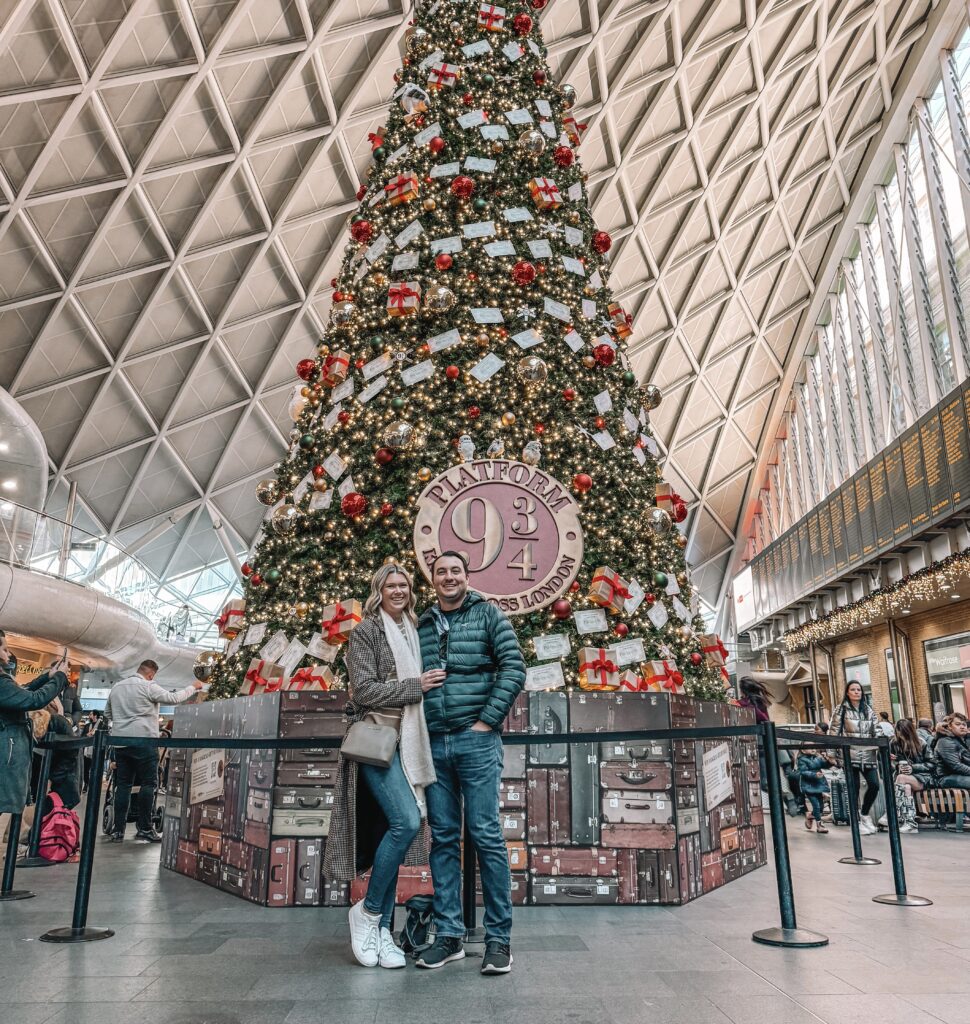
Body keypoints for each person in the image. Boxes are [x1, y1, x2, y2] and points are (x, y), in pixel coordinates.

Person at [323, 563, 440, 970]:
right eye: (390, 585)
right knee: (406, 822)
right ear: (378, 590)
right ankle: (368, 912)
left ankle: (384, 932)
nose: (398, 590)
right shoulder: (367, 632)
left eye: (403, 584)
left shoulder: (414, 632)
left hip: (408, 744)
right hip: (377, 743)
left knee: (395, 831)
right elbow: (365, 689)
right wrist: (415, 687)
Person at [415, 552, 526, 975]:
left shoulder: (488, 615)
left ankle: (499, 941)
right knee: (443, 838)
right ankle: (449, 936)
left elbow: (513, 669)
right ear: (433, 578)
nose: (448, 577)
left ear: (466, 576)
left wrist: (486, 722)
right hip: (434, 745)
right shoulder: (422, 624)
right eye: (441, 571)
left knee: (485, 835)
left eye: (455, 571)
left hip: (475, 741)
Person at [105, 659, 202, 843]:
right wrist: (193, 687)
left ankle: (118, 830)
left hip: (121, 743)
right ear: (151, 674)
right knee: (148, 784)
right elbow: (173, 699)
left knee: (123, 785)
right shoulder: (148, 686)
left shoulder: (117, 687)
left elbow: (108, 714)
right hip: (144, 741)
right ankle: (145, 828)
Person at [0, 631, 69, 833]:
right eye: (4, 648)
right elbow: (34, 700)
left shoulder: (4, 683)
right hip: (7, 751)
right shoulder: (2, 682)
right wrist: (60, 678)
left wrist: (47, 677)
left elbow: (23, 691)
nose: (8, 652)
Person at [830, 682, 880, 834]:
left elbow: (876, 729)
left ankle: (864, 814)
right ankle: (855, 822)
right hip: (849, 755)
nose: (857, 692)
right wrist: (832, 753)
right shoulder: (841, 709)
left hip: (868, 754)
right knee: (854, 789)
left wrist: (881, 743)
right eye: (853, 689)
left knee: (874, 785)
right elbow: (834, 731)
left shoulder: (868, 709)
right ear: (847, 692)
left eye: (859, 689)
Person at [890, 718, 934, 834]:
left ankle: (892, 813)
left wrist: (913, 767)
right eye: (899, 733)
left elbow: (932, 764)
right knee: (906, 787)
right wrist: (893, 763)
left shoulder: (922, 742)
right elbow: (890, 765)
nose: (902, 737)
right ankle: (909, 822)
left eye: (904, 733)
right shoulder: (894, 743)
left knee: (901, 779)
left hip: (923, 777)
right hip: (905, 779)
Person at [43, 696, 81, 816]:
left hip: (60, 773)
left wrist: (72, 720)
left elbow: (78, 710)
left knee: (55, 808)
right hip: (56, 769)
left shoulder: (71, 693)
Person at [737, 676, 771, 795]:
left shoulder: (746, 703)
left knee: (761, 776)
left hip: (755, 739)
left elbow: (761, 717)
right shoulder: (760, 701)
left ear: (743, 690)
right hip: (763, 738)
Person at [931, 712, 970, 790]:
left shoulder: (960, 739)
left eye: (964, 724)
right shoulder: (945, 741)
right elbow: (956, 766)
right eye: (958, 724)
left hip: (959, 775)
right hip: (945, 778)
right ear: (950, 726)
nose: (962, 727)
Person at [797, 745, 831, 834]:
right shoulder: (801, 760)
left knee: (821, 807)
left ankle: (810, 816)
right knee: (816, 805)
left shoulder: (817, 758)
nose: (813, 748)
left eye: (814, 747)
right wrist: (814, 775)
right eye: (809, 747)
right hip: (808, 786)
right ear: (803, 751)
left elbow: (825, 765)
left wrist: (829, 761)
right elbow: (803, 772)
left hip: (818, 785)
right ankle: (819, 826)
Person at [79, 711, 102, 793]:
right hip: (86, 752)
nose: (89, 716)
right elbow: (82, 737)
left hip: (97, 752)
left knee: (95, 770)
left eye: (90, 714)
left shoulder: (102, 725)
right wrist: (87, 735)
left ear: (95, 716)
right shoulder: (87, 726)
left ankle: (93, 786)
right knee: (85, 769)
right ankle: (86, 784)